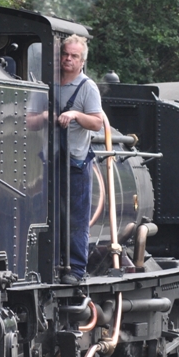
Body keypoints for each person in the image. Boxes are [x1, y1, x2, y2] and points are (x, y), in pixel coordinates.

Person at [55, 35, 104, 285]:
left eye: (74, 56)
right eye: (65, 54)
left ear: (82, 60)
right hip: (48, 161)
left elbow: (97, 122)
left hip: (75, 161)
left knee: (76, 218)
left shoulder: (88, 87)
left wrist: (74, 114)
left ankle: (75, 269)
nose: (68, 59)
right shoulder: (50, 83)